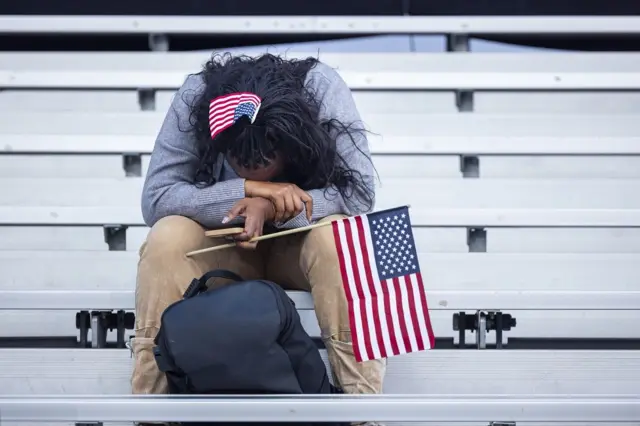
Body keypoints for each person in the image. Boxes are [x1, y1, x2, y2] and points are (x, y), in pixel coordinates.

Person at [131, 52, 384, 425]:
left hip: (299, 246)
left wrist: (277, 204)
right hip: (226, 244)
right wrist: (248, 189)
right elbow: (156, 197)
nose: (250, 165)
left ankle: (364, 414)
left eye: (264, 158)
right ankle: (151, 413)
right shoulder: (196, 95)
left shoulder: (321, 87)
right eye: (238, 158)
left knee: (340, 237)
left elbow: (359, 193)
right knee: (167, 235)